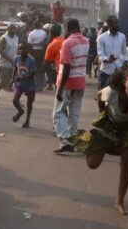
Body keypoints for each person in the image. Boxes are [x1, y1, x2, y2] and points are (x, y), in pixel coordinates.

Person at [71, 67, 128, 215]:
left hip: (127, 128)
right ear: (124, 81)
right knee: (93, 164)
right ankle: (89, 141)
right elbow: (99, 95)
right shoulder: (112, 91)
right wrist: (102, 113)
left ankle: (119, 201)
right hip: (109, 124)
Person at [53, 19, 89, 153]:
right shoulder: (86, 41)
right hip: (80, 82)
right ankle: (72, 139)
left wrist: (60, 88)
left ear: (68, 28)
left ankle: (64, 140)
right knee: (74, 112)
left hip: (68, 83)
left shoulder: (67, 43)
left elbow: (66, 67)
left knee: (59, 112)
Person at [96, 15, 128, 90]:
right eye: (116, 23)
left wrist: (124, 63)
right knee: (102, 97)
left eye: (118, 22)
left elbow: (124, 53)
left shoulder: (122, 37)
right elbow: (100, 55)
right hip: (105, 72)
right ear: (109, 24)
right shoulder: (101, 38)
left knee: (117, 97)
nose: (118, 24)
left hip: (118, 73)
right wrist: (107, 59)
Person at [11, 42, 37, 128]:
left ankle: (27, 120)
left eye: (23, 49)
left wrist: (22, 77)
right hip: (21, 83)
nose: (21, 50)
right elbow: (15, 68)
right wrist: (12, 79)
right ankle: (20, 111)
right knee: (15, 100)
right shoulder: (17, 58)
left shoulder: (31, 60)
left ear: (28, 50)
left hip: (30, 84)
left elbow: (33, 73)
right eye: (20, 48)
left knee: (29, 103)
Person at [0, 23, 19, 102]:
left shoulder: (16, 38)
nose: (14, 30)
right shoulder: (4, 38)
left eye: (14, 29)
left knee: (16, 81)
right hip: (4, 64)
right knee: (3, 82)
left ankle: (17, 100)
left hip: (14, 64)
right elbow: (1, 51)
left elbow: (16, 49)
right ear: (8, 29)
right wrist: (10, 60)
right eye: (12, 29)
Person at [27, 17, 48, 90]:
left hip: (33, 52)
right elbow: (45, 43)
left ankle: (32, 85)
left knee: (32, 68)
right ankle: (40, 86)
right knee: (39, 69)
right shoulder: (44, 33)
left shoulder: (31, 33)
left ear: (34, 25)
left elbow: (29, 44)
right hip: (41, 52)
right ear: (40, 25)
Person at [44, 23, 64, 91]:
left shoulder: (52, 44)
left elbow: (47, 61)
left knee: (59, 95)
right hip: (69, 71)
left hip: (60, 71)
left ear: (50, 32)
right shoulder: (64, 41)